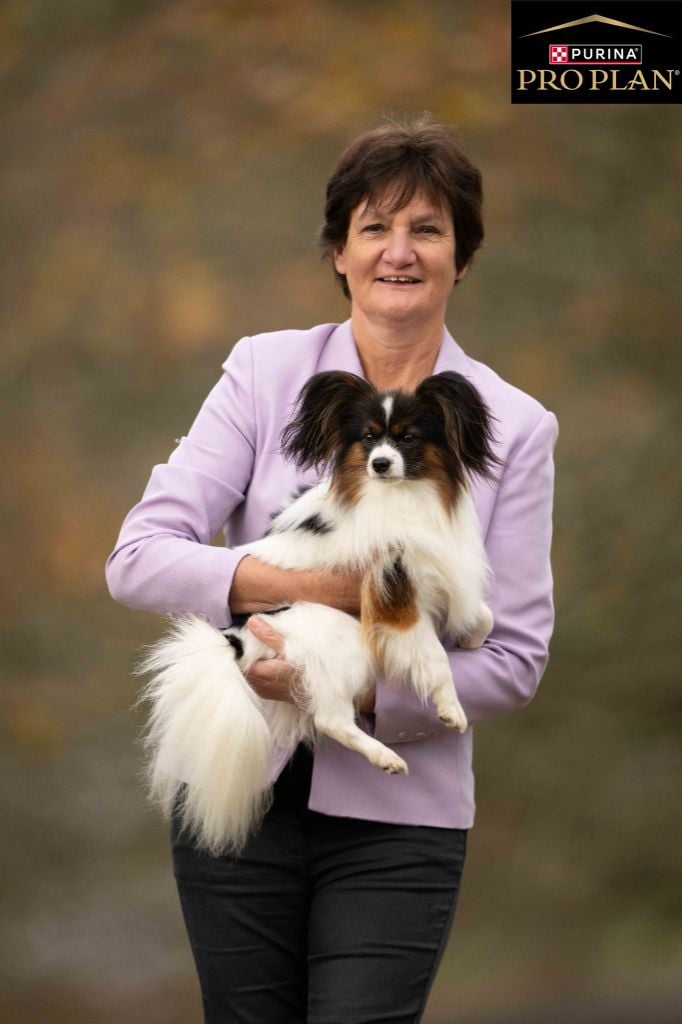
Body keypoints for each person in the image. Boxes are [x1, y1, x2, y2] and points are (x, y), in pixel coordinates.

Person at [106, 115, 558, 1024]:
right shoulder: (263, 373)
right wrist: (317, 591)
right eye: (374, 228)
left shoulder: (515, 426)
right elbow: (139, 560)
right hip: (236, 791)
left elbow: (512, 658)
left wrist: (349, 691)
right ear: (340, 253)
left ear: (461, 257)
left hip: (400, 822)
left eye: (427, 229)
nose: (400, 252)